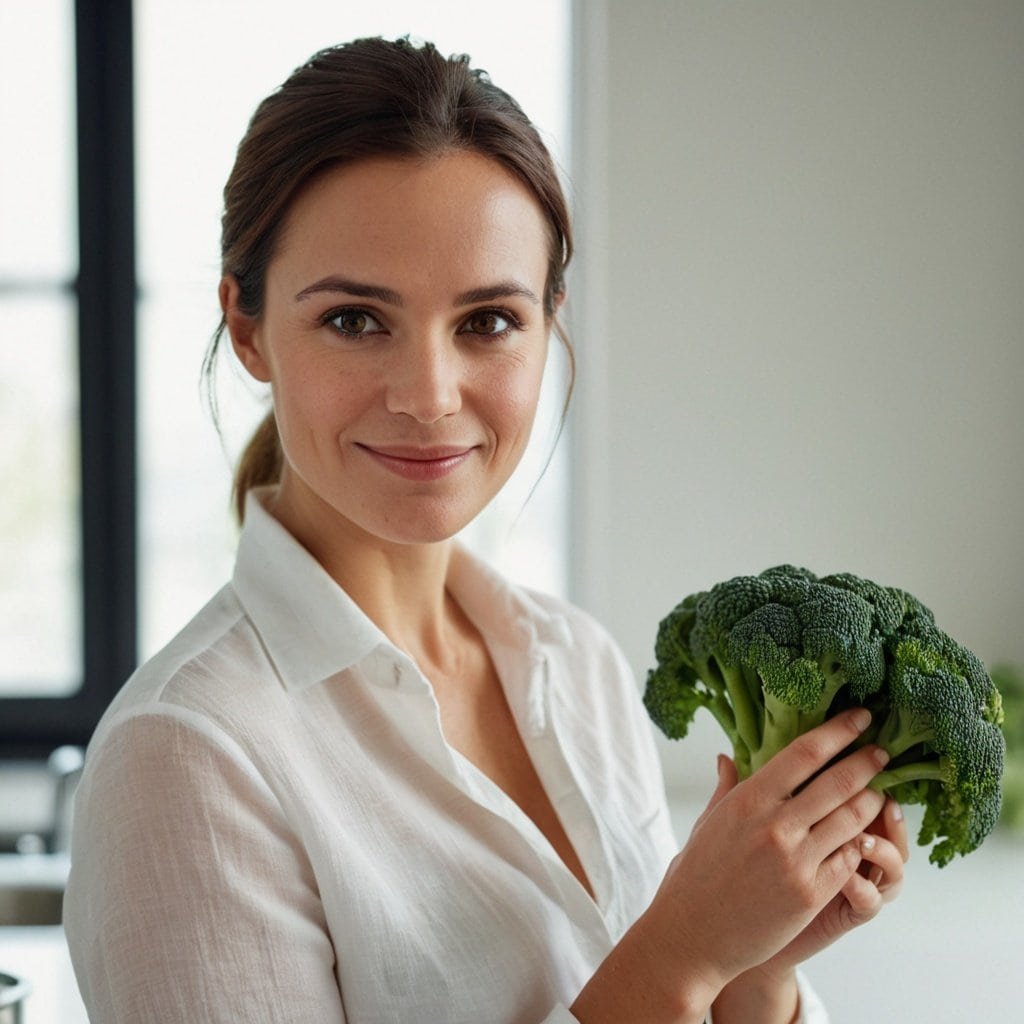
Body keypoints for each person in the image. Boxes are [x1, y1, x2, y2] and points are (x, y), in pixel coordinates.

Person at [63, 36, 908, 1023]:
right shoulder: (187, 757)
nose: (428, 396)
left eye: (487, 321)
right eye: (353, 320)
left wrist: (754, 967)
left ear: (550, 321)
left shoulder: (579, 666)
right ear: (247, 329)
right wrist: (683, 952)